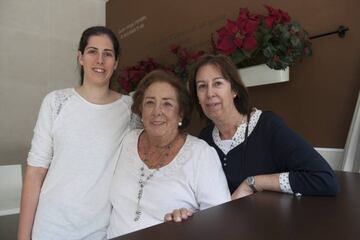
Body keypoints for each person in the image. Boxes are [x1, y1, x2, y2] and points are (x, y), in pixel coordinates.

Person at [18, 26, 133, 240]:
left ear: (116, 62)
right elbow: (35, 173)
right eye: (92, 51)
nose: (100, 60)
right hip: (51, 226)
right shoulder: (56, 102)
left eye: (107, 54)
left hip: (100, 230)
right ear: (80, 57)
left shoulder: (129, 110)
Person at [188, 54, 339, 200]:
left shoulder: (267, 126)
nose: (209, 93)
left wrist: (252, 183)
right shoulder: (205, 139)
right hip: (223, 224)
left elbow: (324, 179)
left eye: (217, 83)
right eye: (202, 86)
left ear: (234, 90)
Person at [107, 70, 230, 238]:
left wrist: (189, 225)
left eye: (167, 104)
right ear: (140, 110)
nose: (157, 111)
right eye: (150, 102)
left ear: (180, 113)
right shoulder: (128, 140)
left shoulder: (201, 154)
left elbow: (222, 222)